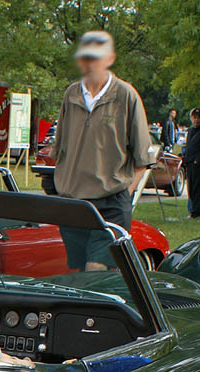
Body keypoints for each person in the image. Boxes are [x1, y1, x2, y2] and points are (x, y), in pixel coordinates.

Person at [49, 30, 151, 272]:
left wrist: (124, 192)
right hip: (73, 202)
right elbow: (60, 150)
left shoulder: (126, 95)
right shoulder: (71, 94)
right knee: (77, 274)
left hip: (110, 203)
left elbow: (143, 159)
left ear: (110, 58)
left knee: (96, 268)